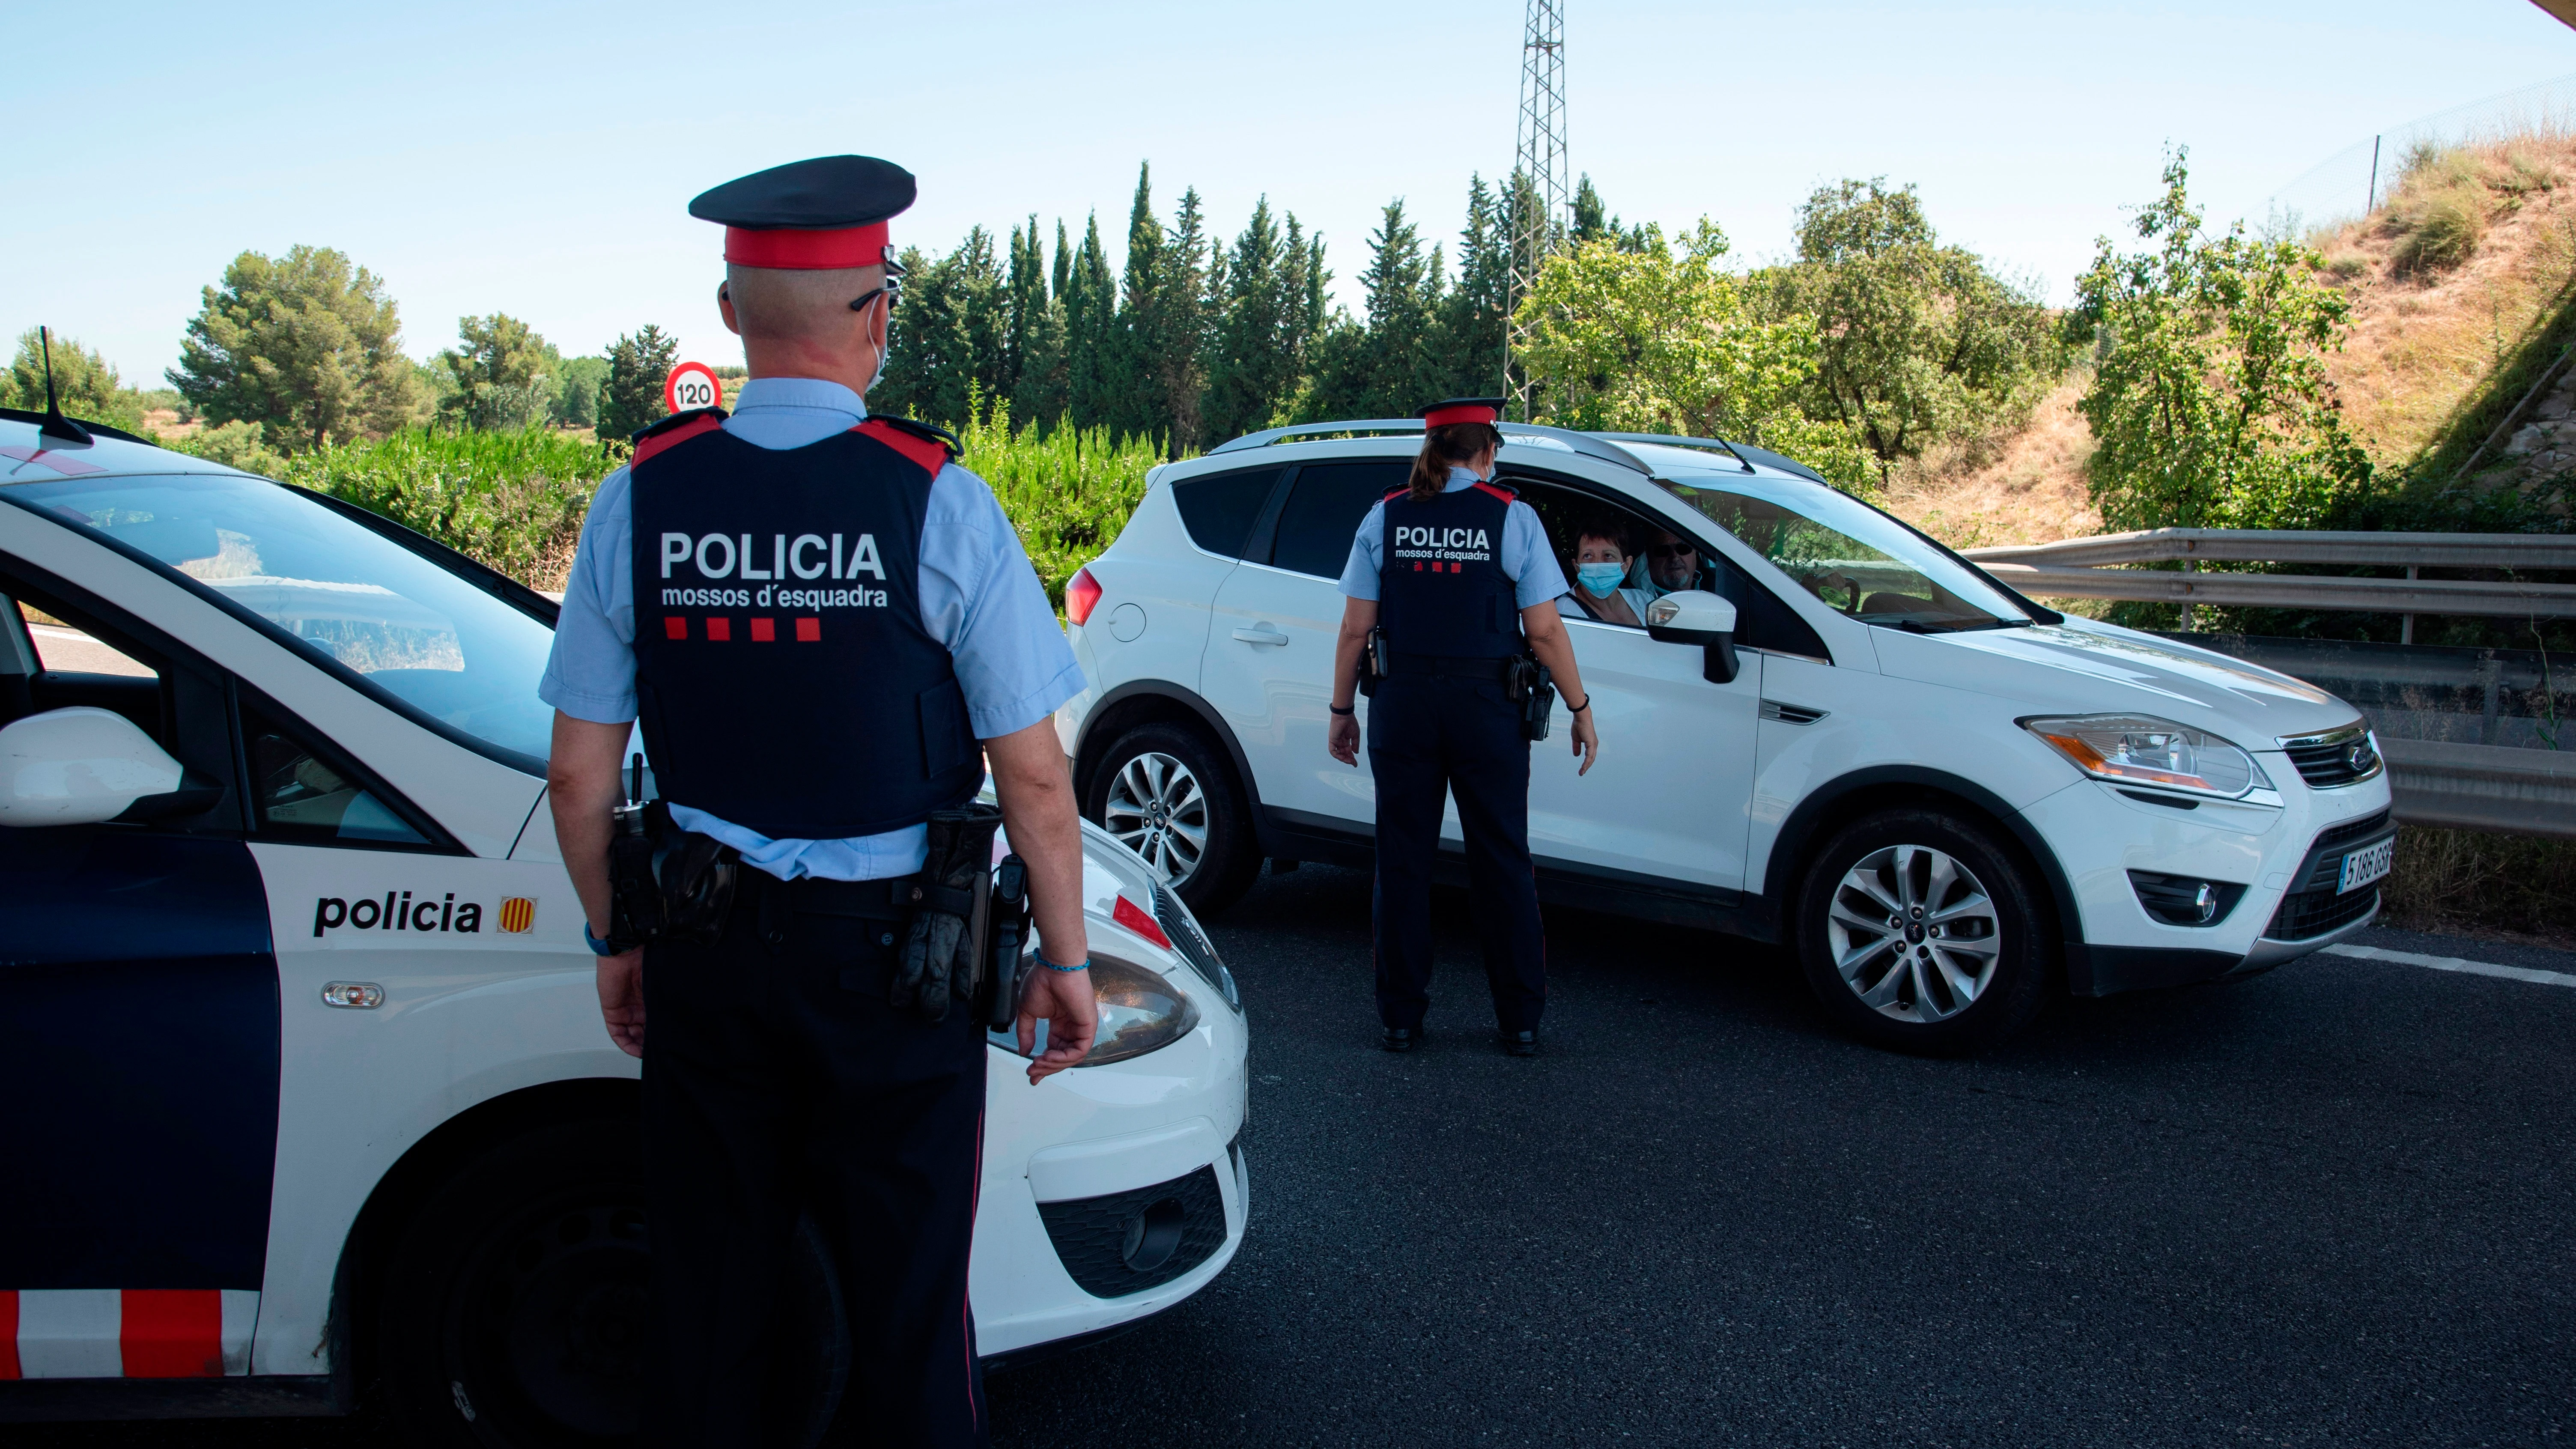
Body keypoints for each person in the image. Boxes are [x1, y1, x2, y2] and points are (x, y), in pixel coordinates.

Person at [538, 154, 1099, 1449]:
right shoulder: (937, 498)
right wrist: (1062, 956)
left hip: (704, 960)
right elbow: (1034, 775)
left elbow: (577, 775)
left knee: (710, 1312)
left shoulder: (640, 496)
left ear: (731, 314)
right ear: (878, 315)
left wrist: (615, 936)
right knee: (905, 1319)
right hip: (893, 975)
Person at [1325, 398, 1600, 1058]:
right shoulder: (1512, 517)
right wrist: (1580, 706)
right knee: (1502, 860)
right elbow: (1544, 629)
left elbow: (1355, 628)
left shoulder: (1384, 514)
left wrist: (1340, 711)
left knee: (1403, 861)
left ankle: (1400, 1019)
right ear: (1486, 452)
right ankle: (1520, 1022)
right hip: (1487, 711)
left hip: (1404, 705)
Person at [1560, 519, 1655, 627]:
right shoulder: (1565, 614)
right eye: (1588, 556)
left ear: (1627, 564)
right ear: (1576, 566)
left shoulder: (1644, 601)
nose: (1597, 564)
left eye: (1608, 555)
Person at [1641, 528, 1708, 598]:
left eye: (1683, 548)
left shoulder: (1716, 582)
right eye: (1663, 550)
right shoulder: (1635, 602)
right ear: (1648, 555)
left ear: (1695, 551)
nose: (1674, 557)